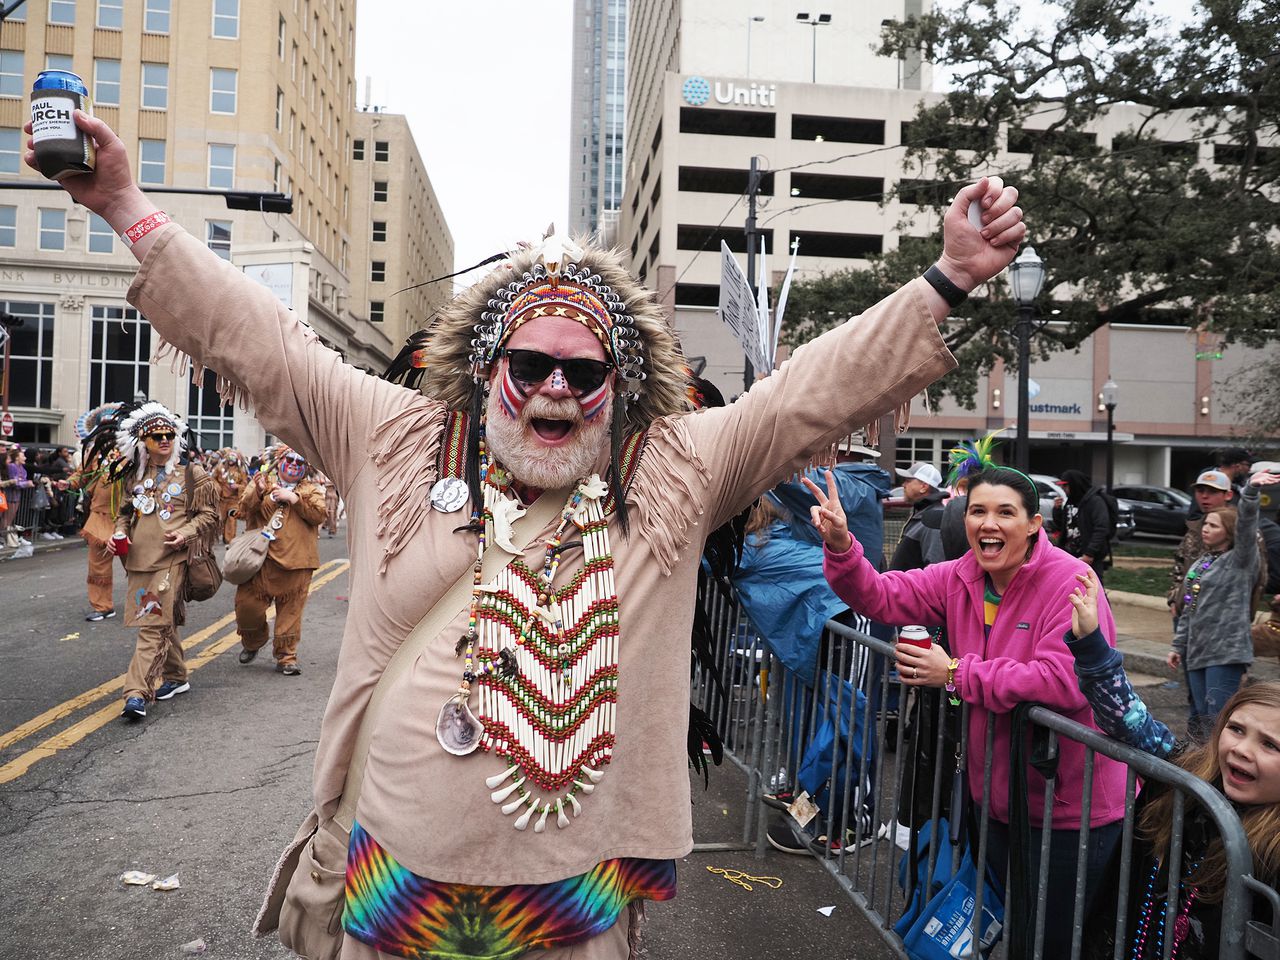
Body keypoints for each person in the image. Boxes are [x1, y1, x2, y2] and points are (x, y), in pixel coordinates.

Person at [28, 109, 1025, 959]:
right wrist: (127, 207)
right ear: (488, 367)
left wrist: (942, 278)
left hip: (572, 899)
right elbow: (264, 341)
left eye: (584, 373)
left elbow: (809, 394)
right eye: (532, 364)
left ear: (615, 388)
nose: (556, 388)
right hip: (393, 881)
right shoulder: (395, 437)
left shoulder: (671, 468)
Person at [805, 464, 1128, 960]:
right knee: (1011, 931)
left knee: (1055, 942)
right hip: (997, 803)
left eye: (1006, 512)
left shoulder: (1071, 580)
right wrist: (844, 547)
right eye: (978, 510)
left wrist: (955, 672)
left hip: (1070, 812)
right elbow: (882, 595)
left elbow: (1066, 682)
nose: (988, 523)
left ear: (1034, 525)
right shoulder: (960, 575)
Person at [1065, 571, 1280, 960]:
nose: (1243, 750)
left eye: (1270, 744)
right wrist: (1092, 645)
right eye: (1235, 729)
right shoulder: (1188, 772)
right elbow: (1129, 720)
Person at [85, 400, 218, 720]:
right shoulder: (134, 476)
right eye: (156, 435)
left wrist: (186, 533)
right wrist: (119, 533)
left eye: (169, 434)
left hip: (171, 560)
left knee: (151, 626)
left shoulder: (192, 473)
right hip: (137, 561)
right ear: (142, 442)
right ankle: (176, 677)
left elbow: (209, 515)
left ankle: (136, 693)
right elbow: (125, 513)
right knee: (161, 622)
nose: (164, 440)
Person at [1167, 471, 1279, 738]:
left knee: (1219, 718)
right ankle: (1199, 768)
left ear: (1229, 531)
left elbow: (1248, 524)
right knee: (1199, 716)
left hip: (1226, 652)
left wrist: (1250, 492)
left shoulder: (1240, 561)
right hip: (1197, 651)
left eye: (1214, 526)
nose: (1205, 529)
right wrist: (1177, 646)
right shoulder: (1201, 564)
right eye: (1205, 524)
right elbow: (1188, 612)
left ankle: (1218, 773)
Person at [235, 444, 326, 676]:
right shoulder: (262, 483)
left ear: (306, 468)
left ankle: (286, 657)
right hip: (260, 562)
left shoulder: (311, 490)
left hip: (297, 564)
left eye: (300, 462)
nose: (294, 465)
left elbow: (319, 515)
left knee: (290, 613)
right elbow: (243, 510)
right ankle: (253, 641)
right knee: (248, 608)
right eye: (290, 460)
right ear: (279, 462)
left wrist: (295, 499)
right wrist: (257, 491)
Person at [1167, 469, 1267, 618]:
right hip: (1188, 614)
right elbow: (1180, 566)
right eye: (1200, 491)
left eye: (1213, 491)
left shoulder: (1242, 531)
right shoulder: (1195, 529)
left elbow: (1259, 576)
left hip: (1224, 618)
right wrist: (1175, 599)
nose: (1205, 496)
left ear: (1228, 495)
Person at [66, 444, 120, 620]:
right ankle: (103, 607)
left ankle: (147, 603)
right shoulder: (95, 450)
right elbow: (82, 475)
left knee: (138, 564)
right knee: (98, 564)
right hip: (100, 516)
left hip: (129, 516)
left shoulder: (136, 446)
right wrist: (67, 483)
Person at [1055, 469, 1113, 582]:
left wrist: (1089, 553)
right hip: (1070, 555)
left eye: (1065, 486)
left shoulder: (1095, 502)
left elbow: (1101, 529)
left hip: (1089, 558)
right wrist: (1057, 510)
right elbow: (1062, 526)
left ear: (1075, 485)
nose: (1063, 490)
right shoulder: (1070, 502)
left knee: (1093, 590)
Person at [889, 461, 948, 571]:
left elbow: (935, 569)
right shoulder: (923, 512)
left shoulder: (934, 519)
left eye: (908, 481)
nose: (903, 485)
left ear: (924, 487)